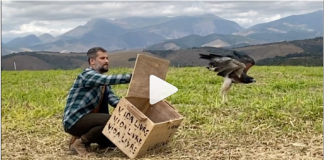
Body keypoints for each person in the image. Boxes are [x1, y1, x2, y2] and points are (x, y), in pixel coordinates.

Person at [62, 47, 132, 156]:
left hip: (89, 118)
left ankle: (83, 136)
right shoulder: (87, 75)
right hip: (75, 120)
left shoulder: (102, 84)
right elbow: (107, 80)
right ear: (92, 61)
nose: (106, 61)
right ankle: (79, 143)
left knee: (110, 143)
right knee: (110, 120)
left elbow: (113, 100)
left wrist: (132, 109)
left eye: (107, 58)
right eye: (102, 58)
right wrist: (132, 77)